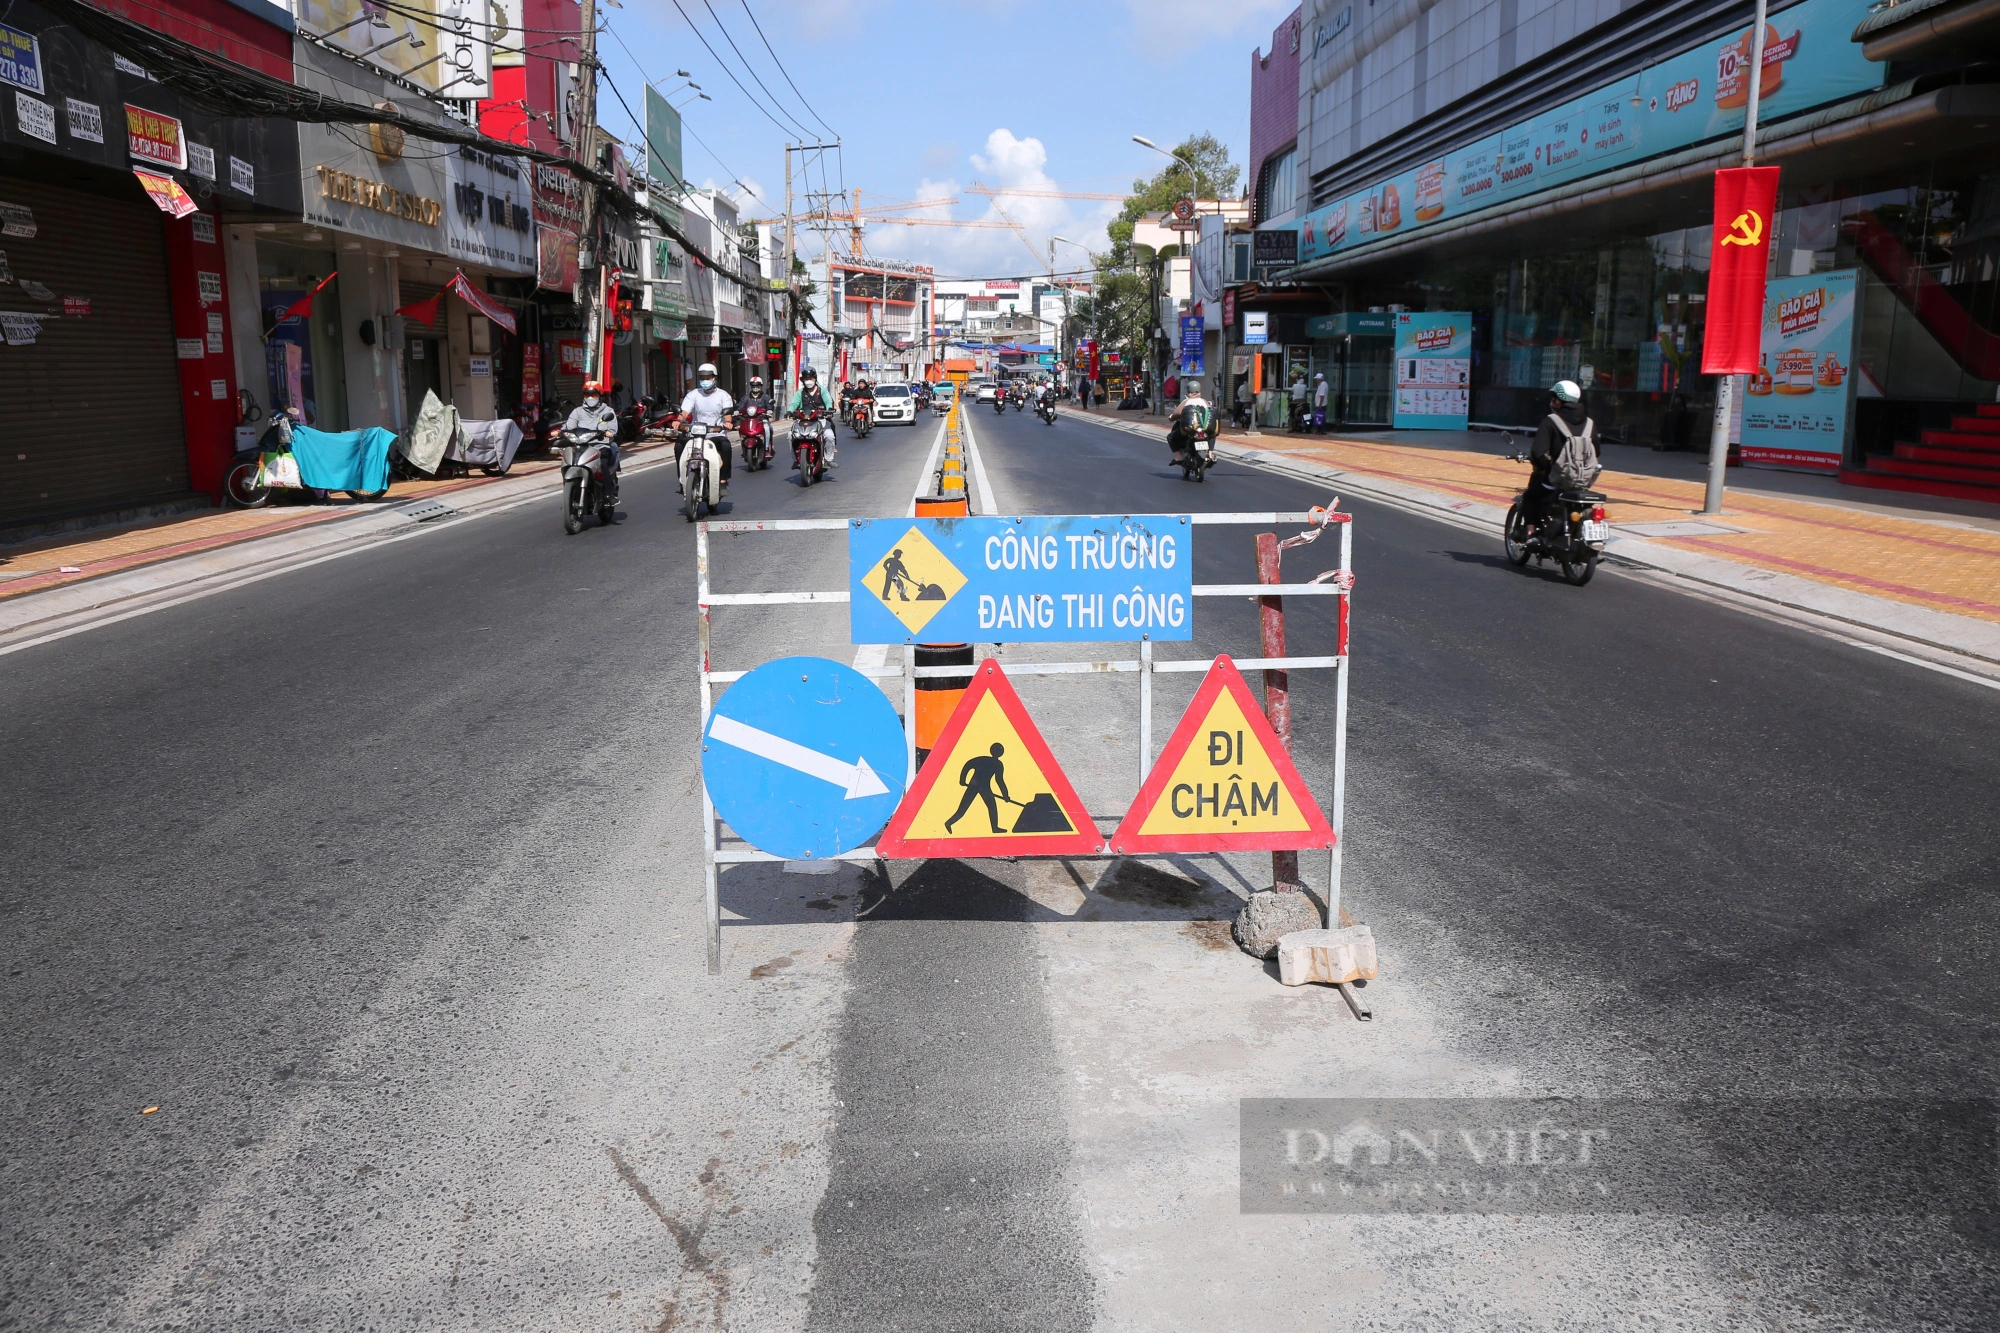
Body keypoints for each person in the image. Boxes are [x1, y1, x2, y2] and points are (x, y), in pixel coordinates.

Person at [1522, 379, 1595, 525]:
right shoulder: (1590, 423)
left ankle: (1531, 533)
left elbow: (1537, 452)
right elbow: (1596, 452)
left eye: (1554, 399)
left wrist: (1549, 468)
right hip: (1582, 482)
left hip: (1557, 480)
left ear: (1560, 401)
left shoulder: (1551, 421)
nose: (1551, 402)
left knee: (1529, 497)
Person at [676, 361, 735, 490]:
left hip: (715, 434)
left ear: (714, 378)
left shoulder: (723, 395)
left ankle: (723, 479)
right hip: (696, 434)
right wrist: (678, 421)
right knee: (679, 446)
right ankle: (681, 479)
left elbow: (727, 413)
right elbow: (685, 412)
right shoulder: (693, 395)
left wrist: (728, 423)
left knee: (726, 446)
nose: (704, 381)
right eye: (702, 378)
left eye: (707, 378)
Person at [944, 742, 1011, 835]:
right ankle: (948, 823)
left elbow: (999, 780)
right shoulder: (995, 763)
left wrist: (1005, 795)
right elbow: (968, 765)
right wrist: (962, 780)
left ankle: (995, 828)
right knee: (963, 809)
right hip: (976, 786)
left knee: (991, 807)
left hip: (981, 787)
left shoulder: (988, 761)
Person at [789, 366, 836, 468]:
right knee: (790, 435)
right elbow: (794, 404)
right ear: (803, 380)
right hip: (803, 419)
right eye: (806, 379)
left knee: (829, 435)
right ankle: (795, 460)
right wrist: (789, 411)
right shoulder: (800, 393)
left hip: (820, 419)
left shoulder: (822, 390)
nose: (809, 381)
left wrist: (829, 409)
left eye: (811, 378)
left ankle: (829, 459)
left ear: (815, 379)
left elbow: (828, 401)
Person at [1168, 379, 1216, 460]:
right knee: (1212, 434)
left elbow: (1175, 415)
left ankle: (1178, 457)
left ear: (1188, 391)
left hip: (1190, 429)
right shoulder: (1204, 401)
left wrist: (1171, 417)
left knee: (1170, 437)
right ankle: (1210, 452)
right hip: (1204, 429)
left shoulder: (1186, 402)